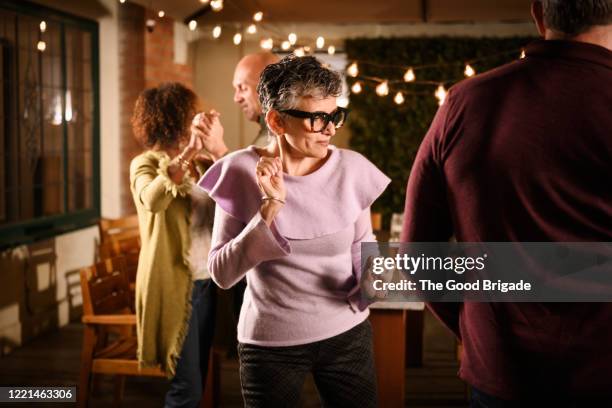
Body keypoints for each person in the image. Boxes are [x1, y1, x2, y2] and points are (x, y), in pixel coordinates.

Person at [400, 1, 612, 406]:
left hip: (502, 372)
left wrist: (474, 327)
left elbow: (416, 255)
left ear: (538, 13)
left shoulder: (465, 102)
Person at [198, 55, 390, 407]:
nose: (331, 129)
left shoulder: (352, 168)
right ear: (277, 120)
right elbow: (222, 274)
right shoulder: (240, 171)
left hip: (347, 334)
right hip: (270, 345)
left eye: (334, 116)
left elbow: (365, 248)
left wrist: (374, 281)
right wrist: (269, 209)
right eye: (318, 119)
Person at [129, 82, 228, 407]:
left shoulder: (199, 164)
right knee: (186, 389)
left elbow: (230, 199)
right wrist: (188, 153)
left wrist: (215, 148)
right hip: (172, 285)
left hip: (205, 284)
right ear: (176, 120)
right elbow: (152, 200)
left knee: (197, 379)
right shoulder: (145, 163)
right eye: (191, 116)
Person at [233, 51, 280, 147]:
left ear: (268, 86)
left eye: (242, 88)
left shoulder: (283, 136)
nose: (236, 98)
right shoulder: (268, 131)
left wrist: (218, 150)